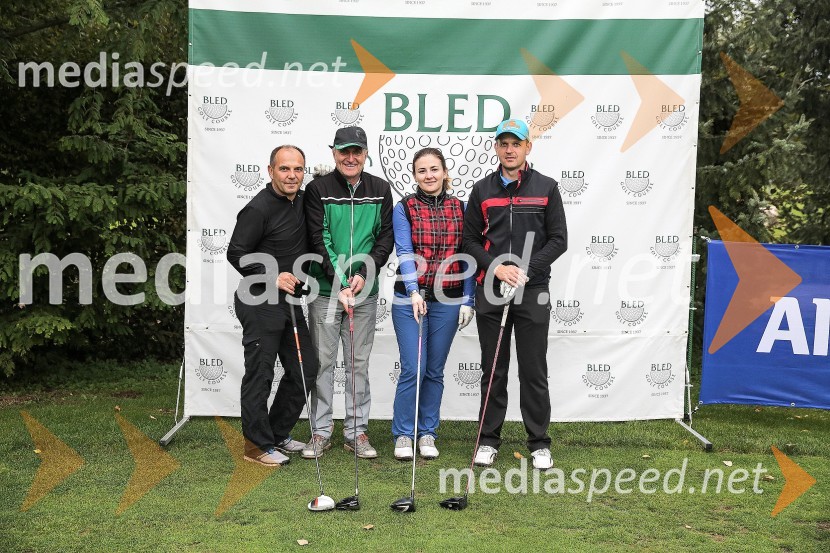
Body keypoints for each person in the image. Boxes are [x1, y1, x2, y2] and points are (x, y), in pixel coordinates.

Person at [462, 119, 567, 471]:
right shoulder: (482, 190)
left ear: (527, 147)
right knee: (493, 368)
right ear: (496, 148)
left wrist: (527, 270)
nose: (509, 149)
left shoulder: (547, 188)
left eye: (516, 143)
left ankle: (538, 442)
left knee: (534, 368)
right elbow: (470, 241)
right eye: (503, 143)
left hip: (532, 290)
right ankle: (488, 441)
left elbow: (558, 240)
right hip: (491, 289)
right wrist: (497, 268)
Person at [301, 126, 394, 459]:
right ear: (334, 153)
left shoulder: (381, 189)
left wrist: (362, 274)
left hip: (363, 294)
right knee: (323, 363)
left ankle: (356, 432)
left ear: (366, 153)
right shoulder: (317, 189)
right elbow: (318, 237)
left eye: (357, 151)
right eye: (344, 151)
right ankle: (320, 432)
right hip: (326, 292)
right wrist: (340, 280)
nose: (350, 157)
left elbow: (385, 240)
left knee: (357, 363)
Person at [226, 145, 318, 467]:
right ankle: (255, 446)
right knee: (260, 374)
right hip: (258, 301)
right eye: (284, 169)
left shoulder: (304, 201)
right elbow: (235, 253)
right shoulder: (258, 208)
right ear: (270, 171)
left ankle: (277, 434)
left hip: (289, 302)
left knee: (305, 368)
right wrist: (272, 275)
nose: (292, 175)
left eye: (297, 169)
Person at [390, 147, 475, 461]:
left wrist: (469, 299)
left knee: (435, 371)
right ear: (414, 175)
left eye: (434, 169)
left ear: (444, 172)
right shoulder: (404, 207)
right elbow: (404, 250)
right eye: (422, 171)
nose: (429, 175)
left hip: (448, 301)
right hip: (409, 299)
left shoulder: (461, 208)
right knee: (414, 368)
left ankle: (427, 432)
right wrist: (413, 290)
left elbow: (467, 256)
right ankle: (403, 434)